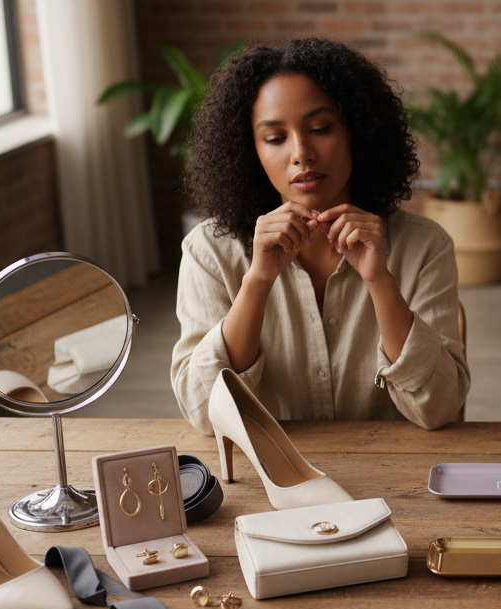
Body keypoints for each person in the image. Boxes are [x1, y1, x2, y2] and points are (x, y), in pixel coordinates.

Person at [172, 38, 469, 433]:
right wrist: (258, 281)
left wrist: (380, 281)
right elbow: (204, 412)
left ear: (357, 133)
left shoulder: (424, 247)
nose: (301, 153)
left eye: (320, 128)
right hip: (266, 483)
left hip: (395, 480)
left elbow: (440, 408)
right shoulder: (209, 251)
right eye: (275, 138)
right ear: (251, 151)